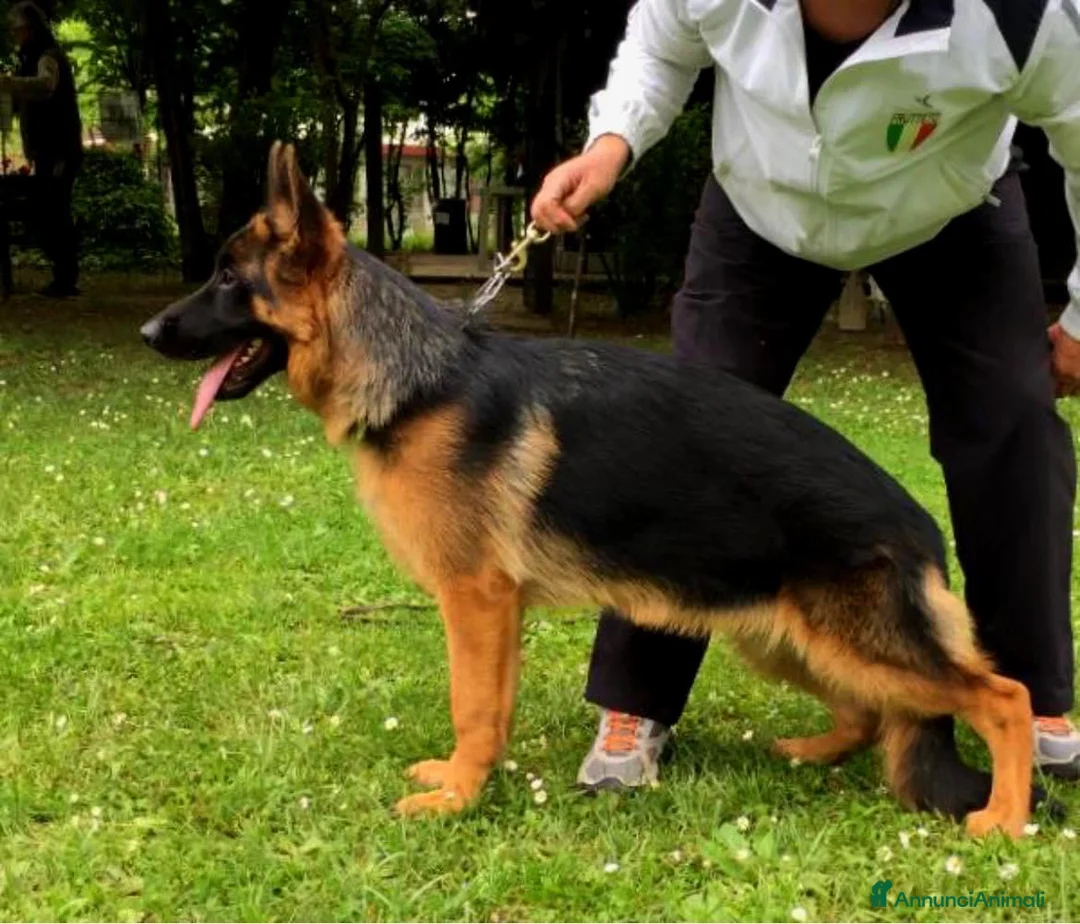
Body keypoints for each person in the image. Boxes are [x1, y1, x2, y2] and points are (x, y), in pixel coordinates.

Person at [531, 0, 1080, 789]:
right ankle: (635, 701)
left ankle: (1033, 698)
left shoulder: (1020, 13)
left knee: (1016, 425)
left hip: (949, 211)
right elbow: (660, 50)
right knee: (680, 439)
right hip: (763, 208)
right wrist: (613, 141)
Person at [0, 1, 82, 297]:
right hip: (47, 150)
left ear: (30, 29)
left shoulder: (48, 57)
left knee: (55, 210)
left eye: (18, 30)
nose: (14, 35)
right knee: (51, 209)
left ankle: (65, 279)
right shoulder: (32, 57)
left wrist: (10, 83)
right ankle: (64, 277)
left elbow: (46, 86)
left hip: (58, 149)